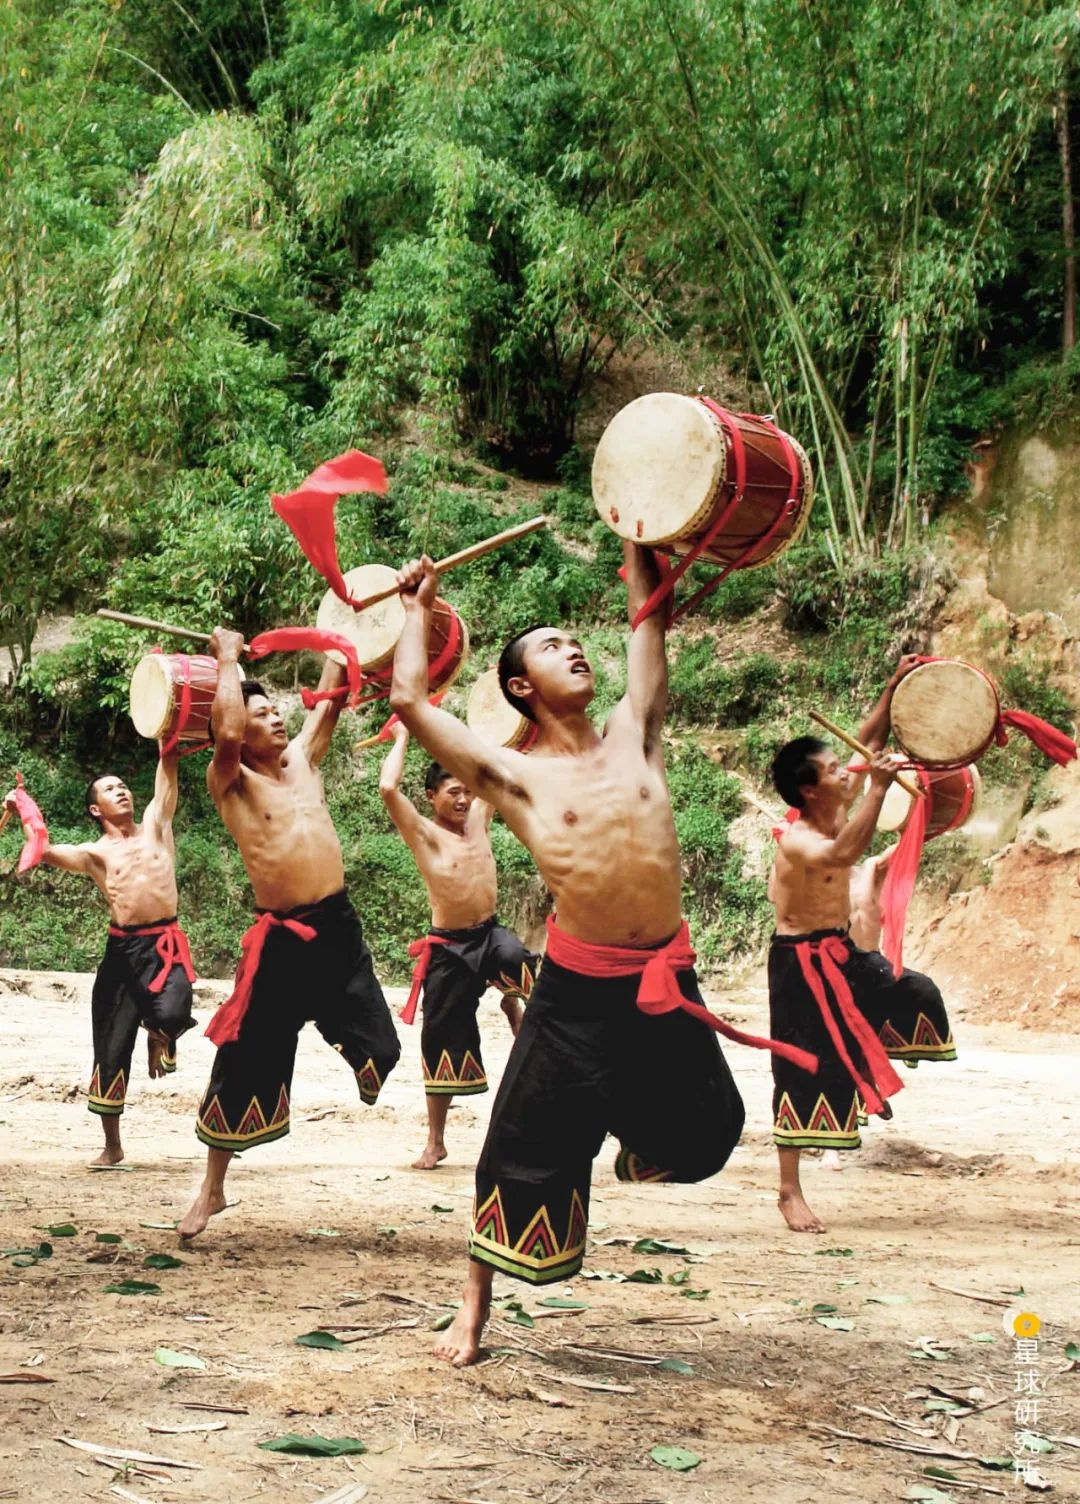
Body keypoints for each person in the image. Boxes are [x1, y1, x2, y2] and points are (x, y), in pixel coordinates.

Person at [389, 546, 760, 1367]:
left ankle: (629, 1130)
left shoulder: (637, 733)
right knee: (516, 1150)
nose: (573, 648)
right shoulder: (511, 776)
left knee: (712, 1134)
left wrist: (644, 540)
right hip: (580, 992)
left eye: (575, 640)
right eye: (550, 647)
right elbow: (409, 700)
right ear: (521, 687)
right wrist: (418, 609)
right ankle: (473, 1311)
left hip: (668, 978)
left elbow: (647, 623)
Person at [178, 631, 400, 1239]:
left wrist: (348, 621)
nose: (277, 717)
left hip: (338, 930)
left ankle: (352, 1050)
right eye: (260, 713)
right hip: (280, 942)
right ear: (237, 732)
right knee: (243, 1060)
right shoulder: (231, 782)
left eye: (276, 709)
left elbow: (328, 697)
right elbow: (221, 735)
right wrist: (227, 659)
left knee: (382, 1047)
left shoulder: (303, 760)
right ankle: (212, 1189)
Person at [767, 661, 956, 1234]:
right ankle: (788, 1190)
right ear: (808, 788)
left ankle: (861, 1059)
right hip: (800, 962)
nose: (845, 773)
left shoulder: (834, 800)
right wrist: (877, 785)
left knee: (913, 991)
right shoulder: (801, 837)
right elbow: (846, 856)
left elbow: (866, 739)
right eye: (833, 770)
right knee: (800, 1065)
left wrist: (895, 685)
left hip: (841, 952)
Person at [4, 752, 195, 1167]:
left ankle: (157, 1029)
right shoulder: (94, 853)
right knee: (110, 1045)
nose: (121, 791)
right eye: (110, 789)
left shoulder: (156, 828)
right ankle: (113, 1145)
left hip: (164, 943)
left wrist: (168, 735)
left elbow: (168, 776)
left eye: (123, 785)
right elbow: (43, 849)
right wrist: (23, 807)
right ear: (96, 809)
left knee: (175, 1011)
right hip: (122, 952)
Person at [379, 724, 537, 1169]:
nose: (464, 799)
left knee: (518, 960)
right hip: (449, 947)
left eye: (467, 791)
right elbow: (389, 786)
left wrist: (507, 712)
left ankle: (511, 1000)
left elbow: (505, 751)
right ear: (432, 796)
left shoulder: (480, 817)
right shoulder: (425, 834)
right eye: (453, 792)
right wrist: (403, 737)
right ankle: (436, 1141)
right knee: (441, 1042)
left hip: (489, 935)